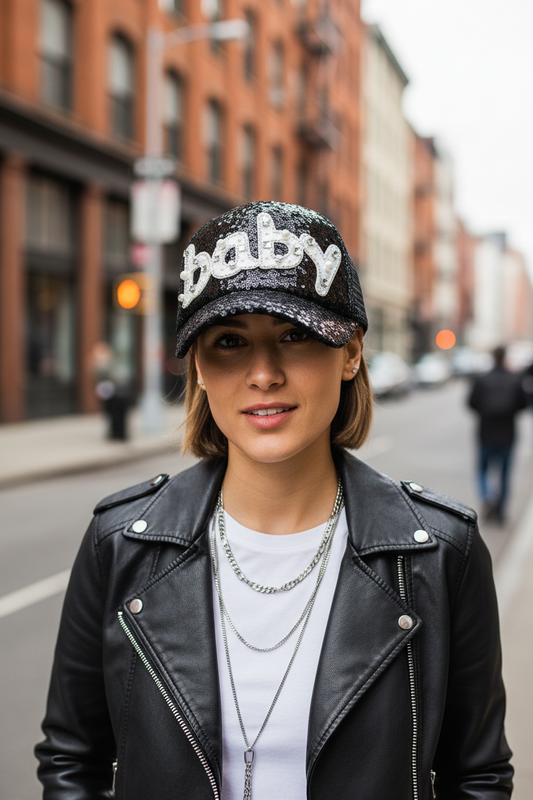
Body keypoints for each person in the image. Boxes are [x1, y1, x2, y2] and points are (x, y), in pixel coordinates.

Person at [36, 202, 512, 800]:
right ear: (200, 369)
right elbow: (71, 761)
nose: (263, 373)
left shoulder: (442, 554)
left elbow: (479, 775)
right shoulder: (121, 541)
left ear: (351, 352)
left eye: (294, 335)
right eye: (230, 341)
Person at [468, 345, 527, 523]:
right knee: (504, 474)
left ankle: (487, 497)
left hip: (485, 433)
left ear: (493, 358)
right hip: (507, 434)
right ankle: (500, 512)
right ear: (505, 357)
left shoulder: (482, 379)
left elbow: (471, 403)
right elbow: (523, 405)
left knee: (483, 471)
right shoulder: (515, 380)